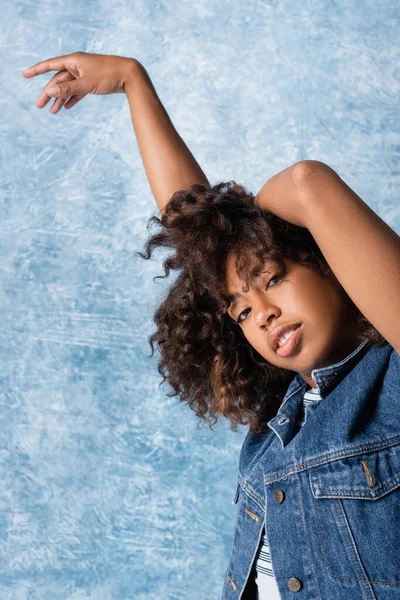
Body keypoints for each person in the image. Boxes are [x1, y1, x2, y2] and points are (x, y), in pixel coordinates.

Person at [23, 52, 400, 600]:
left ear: (328, 260)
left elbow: (305, 183)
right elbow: (193, 233)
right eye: (242, 310)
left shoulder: (389, 378)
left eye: (271, 278)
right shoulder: (280, 407)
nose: (262, 313)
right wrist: (133, 81)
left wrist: (246, 223)